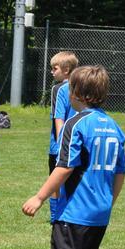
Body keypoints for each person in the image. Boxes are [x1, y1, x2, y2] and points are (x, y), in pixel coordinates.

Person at [22, 65, 125, 249]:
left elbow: (65, 167)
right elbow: (120, 172)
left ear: (77, 93)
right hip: (100, 210)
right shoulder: (114, 126)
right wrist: (109, 202)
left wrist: (39, 197)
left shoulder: (76, 123)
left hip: (76, 209)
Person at [48, 51, 79, 223]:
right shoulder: (82, 86)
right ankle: (70, 215)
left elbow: (58, 117)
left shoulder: (58, 89)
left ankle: (56, 216)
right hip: (78, 143)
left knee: (55, 181)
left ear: (66, 70)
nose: (52, 72)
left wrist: (61, 142)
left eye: (55, 68)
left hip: (59, 145)